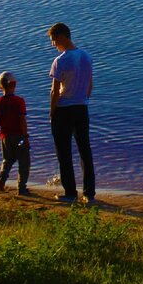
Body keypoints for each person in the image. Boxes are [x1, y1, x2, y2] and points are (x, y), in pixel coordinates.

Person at [47, 22, 95, 204]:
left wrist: (52, 112)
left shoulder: (60, 61)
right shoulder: (86, 56)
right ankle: (89, 194)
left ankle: (70, 193)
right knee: (85, 151)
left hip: (64, 110)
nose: (53, 44)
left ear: (61, 37)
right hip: (82, 107)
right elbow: (90, 84)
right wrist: (83, 99)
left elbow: (54, 91)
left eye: (53, 40)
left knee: (64, 152)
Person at [0, 71, 30, 195]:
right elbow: (22, 120)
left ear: (0, 86)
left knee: (7, 160)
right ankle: (22, 188)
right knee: (24, 162)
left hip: (5, 136)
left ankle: (1, 182)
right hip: (19, 136)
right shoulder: (19, 101)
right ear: (14, 84)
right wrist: (25, 136)